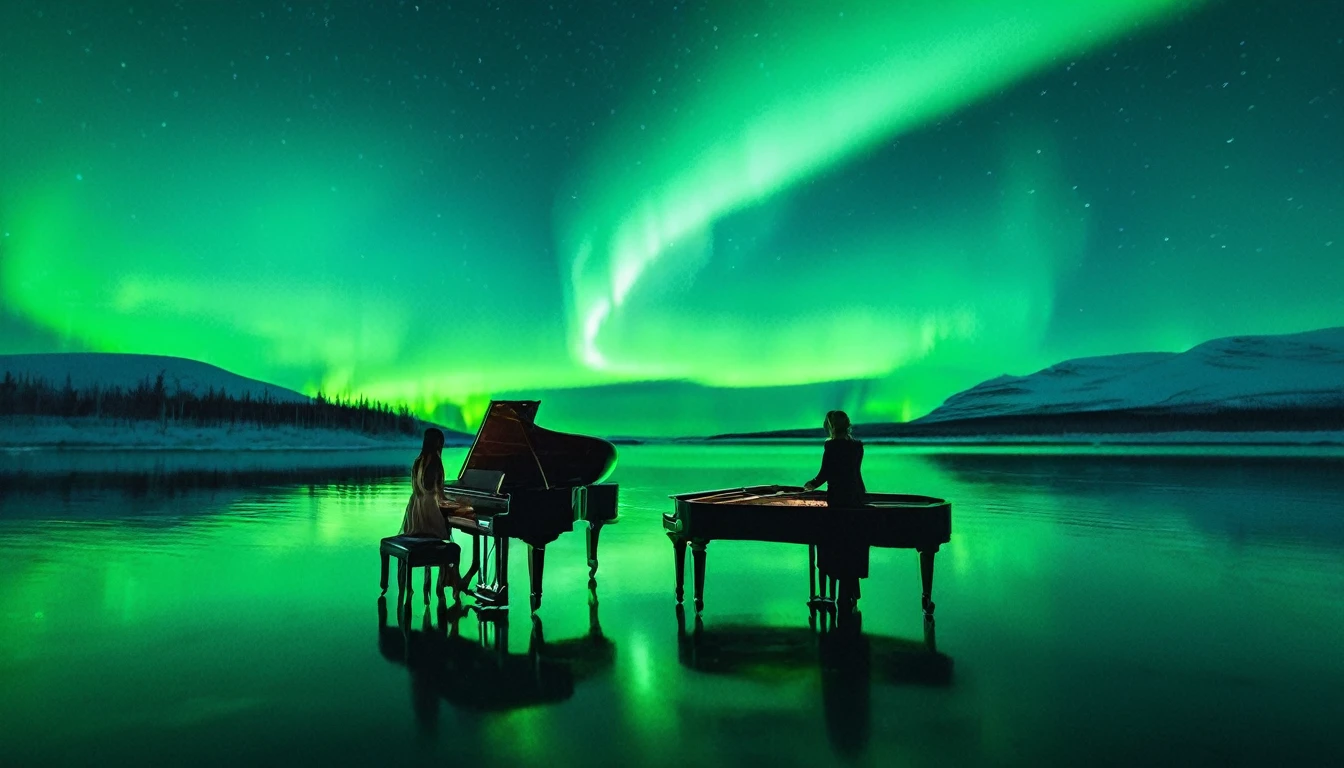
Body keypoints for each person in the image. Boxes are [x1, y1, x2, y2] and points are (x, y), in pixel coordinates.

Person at [802, 410, 868, 610]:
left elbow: (825, 474)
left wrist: (810, 485)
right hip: (857, 498)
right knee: (853, 544)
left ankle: (837, 592)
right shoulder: (858, 446)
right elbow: (852, 472)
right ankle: (850, 593)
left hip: (839, 499)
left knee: (836, 544)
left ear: (830, 426)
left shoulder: (831, 445)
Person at [399, 427, 470, 597]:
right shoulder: (436, 462)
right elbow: (439, 495)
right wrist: (461, 504)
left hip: (414, 516)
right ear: (438, 443)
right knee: (448, 542)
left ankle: (441, 584)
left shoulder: (418, 461)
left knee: (447, 536)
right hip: (429, 518)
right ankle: (450, 583)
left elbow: (423, 491)